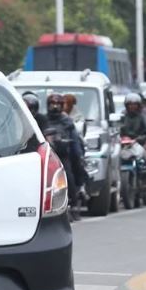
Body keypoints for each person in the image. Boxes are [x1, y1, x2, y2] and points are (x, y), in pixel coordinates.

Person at [46, 92, 86, 221]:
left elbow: (74, 140)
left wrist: (77, 154)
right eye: (53, 104)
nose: (55, 107)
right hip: (47, 156)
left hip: (63, 155)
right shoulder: (43, 120)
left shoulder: (67, 121)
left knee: (69, 176)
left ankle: (73, 204)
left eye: (58, 104)